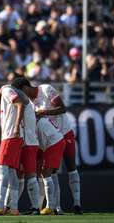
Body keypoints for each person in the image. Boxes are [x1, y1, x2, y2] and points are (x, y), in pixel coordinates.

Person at [20, 80, 82, 214]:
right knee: (51, 172)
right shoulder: (30, 103)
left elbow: (62, 108)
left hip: (64, 132)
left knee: (71, 167)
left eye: (21, 92)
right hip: (50, 139)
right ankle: (56, 207)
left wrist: (44, 112)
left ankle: (77, 204)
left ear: (26, 88)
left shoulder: (46, 89)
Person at [0, 82, 27, 216]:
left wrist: (16, 126)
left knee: (1, 168)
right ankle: (13, 208)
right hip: (12, 136)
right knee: (12, 172)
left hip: (11, 136)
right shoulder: (4, 96)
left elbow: (20, 104)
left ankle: (0, 205)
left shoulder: (6, 91)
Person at [11, 78, 40, 215]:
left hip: (28, 142)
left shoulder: (23, 98)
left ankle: (35, 207)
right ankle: (11, 206)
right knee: (19, 175)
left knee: (30, 174)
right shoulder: (27, 101)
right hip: (25, 141)